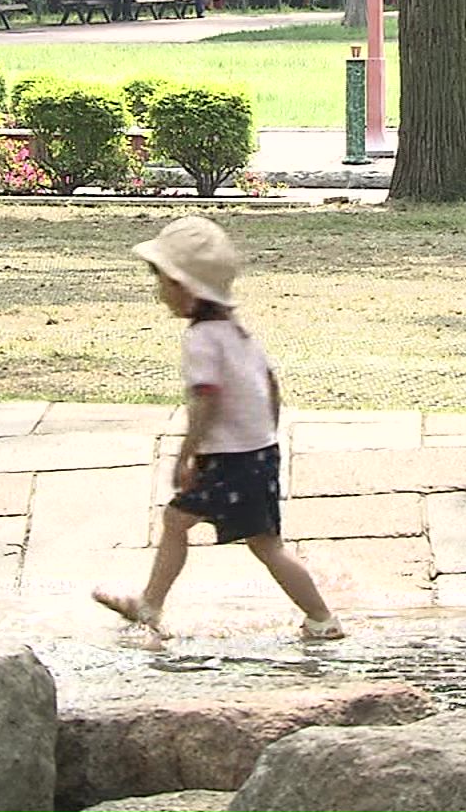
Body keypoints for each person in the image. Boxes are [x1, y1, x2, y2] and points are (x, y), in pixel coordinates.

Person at [93, 216, 345, 640]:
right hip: (257, 453)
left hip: (229, 459)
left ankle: (151, 606)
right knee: (257, 542)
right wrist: (266, 437)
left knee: (192, 526)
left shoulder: (201, 339)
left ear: (185, 287)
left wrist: (188, 455)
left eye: (163, 283)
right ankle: (320, 617)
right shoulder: (238, 331)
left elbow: (205, 400)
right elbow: (271, 386)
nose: (159, 295)